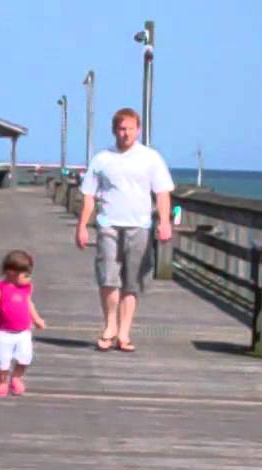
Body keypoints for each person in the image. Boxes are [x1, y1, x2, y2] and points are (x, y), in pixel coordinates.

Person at [75, 107, 175, 352]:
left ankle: (124, 333)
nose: (126, 133)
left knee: (132, 281)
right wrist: (82, 227)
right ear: (114, 130)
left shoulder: (151, 158)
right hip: (108, 223)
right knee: (108, 277)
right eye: (121, 129)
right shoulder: (102, 159)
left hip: (139, 225)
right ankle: (109, 326)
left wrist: (164, 222)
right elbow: (88, 195)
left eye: (130, 129)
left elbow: (162, 192)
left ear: (138, 130)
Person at [0, 249, 46, 397]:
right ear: (11, 272)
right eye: (25, 275)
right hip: (4, 332)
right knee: (2, 360)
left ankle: (17, 377)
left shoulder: (26, 288)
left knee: (25, 357)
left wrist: (36, 319)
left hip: (23, 331)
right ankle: (2, 381)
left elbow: (29, 304)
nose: (29, 278)